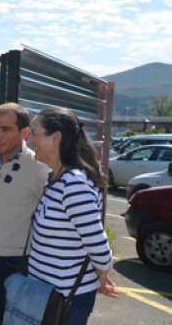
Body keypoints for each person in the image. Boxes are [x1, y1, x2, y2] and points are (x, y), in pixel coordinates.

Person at [27, 107, 118, 324]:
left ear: (55, 138)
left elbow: (96, 240)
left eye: (34, 133)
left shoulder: (74, 184)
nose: (30, 140)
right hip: (46, 292)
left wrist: (102, 272)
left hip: (66, 298)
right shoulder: (54, 178)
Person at [0, 103, 49, 325]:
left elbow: (46, 216)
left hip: (21, 262)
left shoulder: (39, 167)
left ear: (25, 133)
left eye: (5, 129)